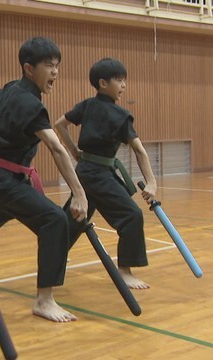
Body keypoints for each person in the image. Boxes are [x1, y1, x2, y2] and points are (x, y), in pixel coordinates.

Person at [0, 37, 88, 323]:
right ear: (29, 69)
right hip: (7, 179)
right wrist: (79, 193)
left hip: (0, 175)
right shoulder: (31, 104)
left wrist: (0, 124)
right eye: (48, 66)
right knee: (54, 220)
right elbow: (57, 148)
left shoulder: (9, 89)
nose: (55, 72)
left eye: (57, 66)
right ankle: (44, 300)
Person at [55, 57, 157, 290]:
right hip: (98, 174)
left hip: (85, 172)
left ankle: (53, 260)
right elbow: (139, 151)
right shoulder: (120, 116)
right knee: (131, 215)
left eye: (124, 80)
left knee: (75, 218)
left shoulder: (87, 105)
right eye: (119, 80)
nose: (124, 85)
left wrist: (74, 152)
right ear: (103, 83)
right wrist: (151, 182)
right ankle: (125, 271)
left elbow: (59, 124)